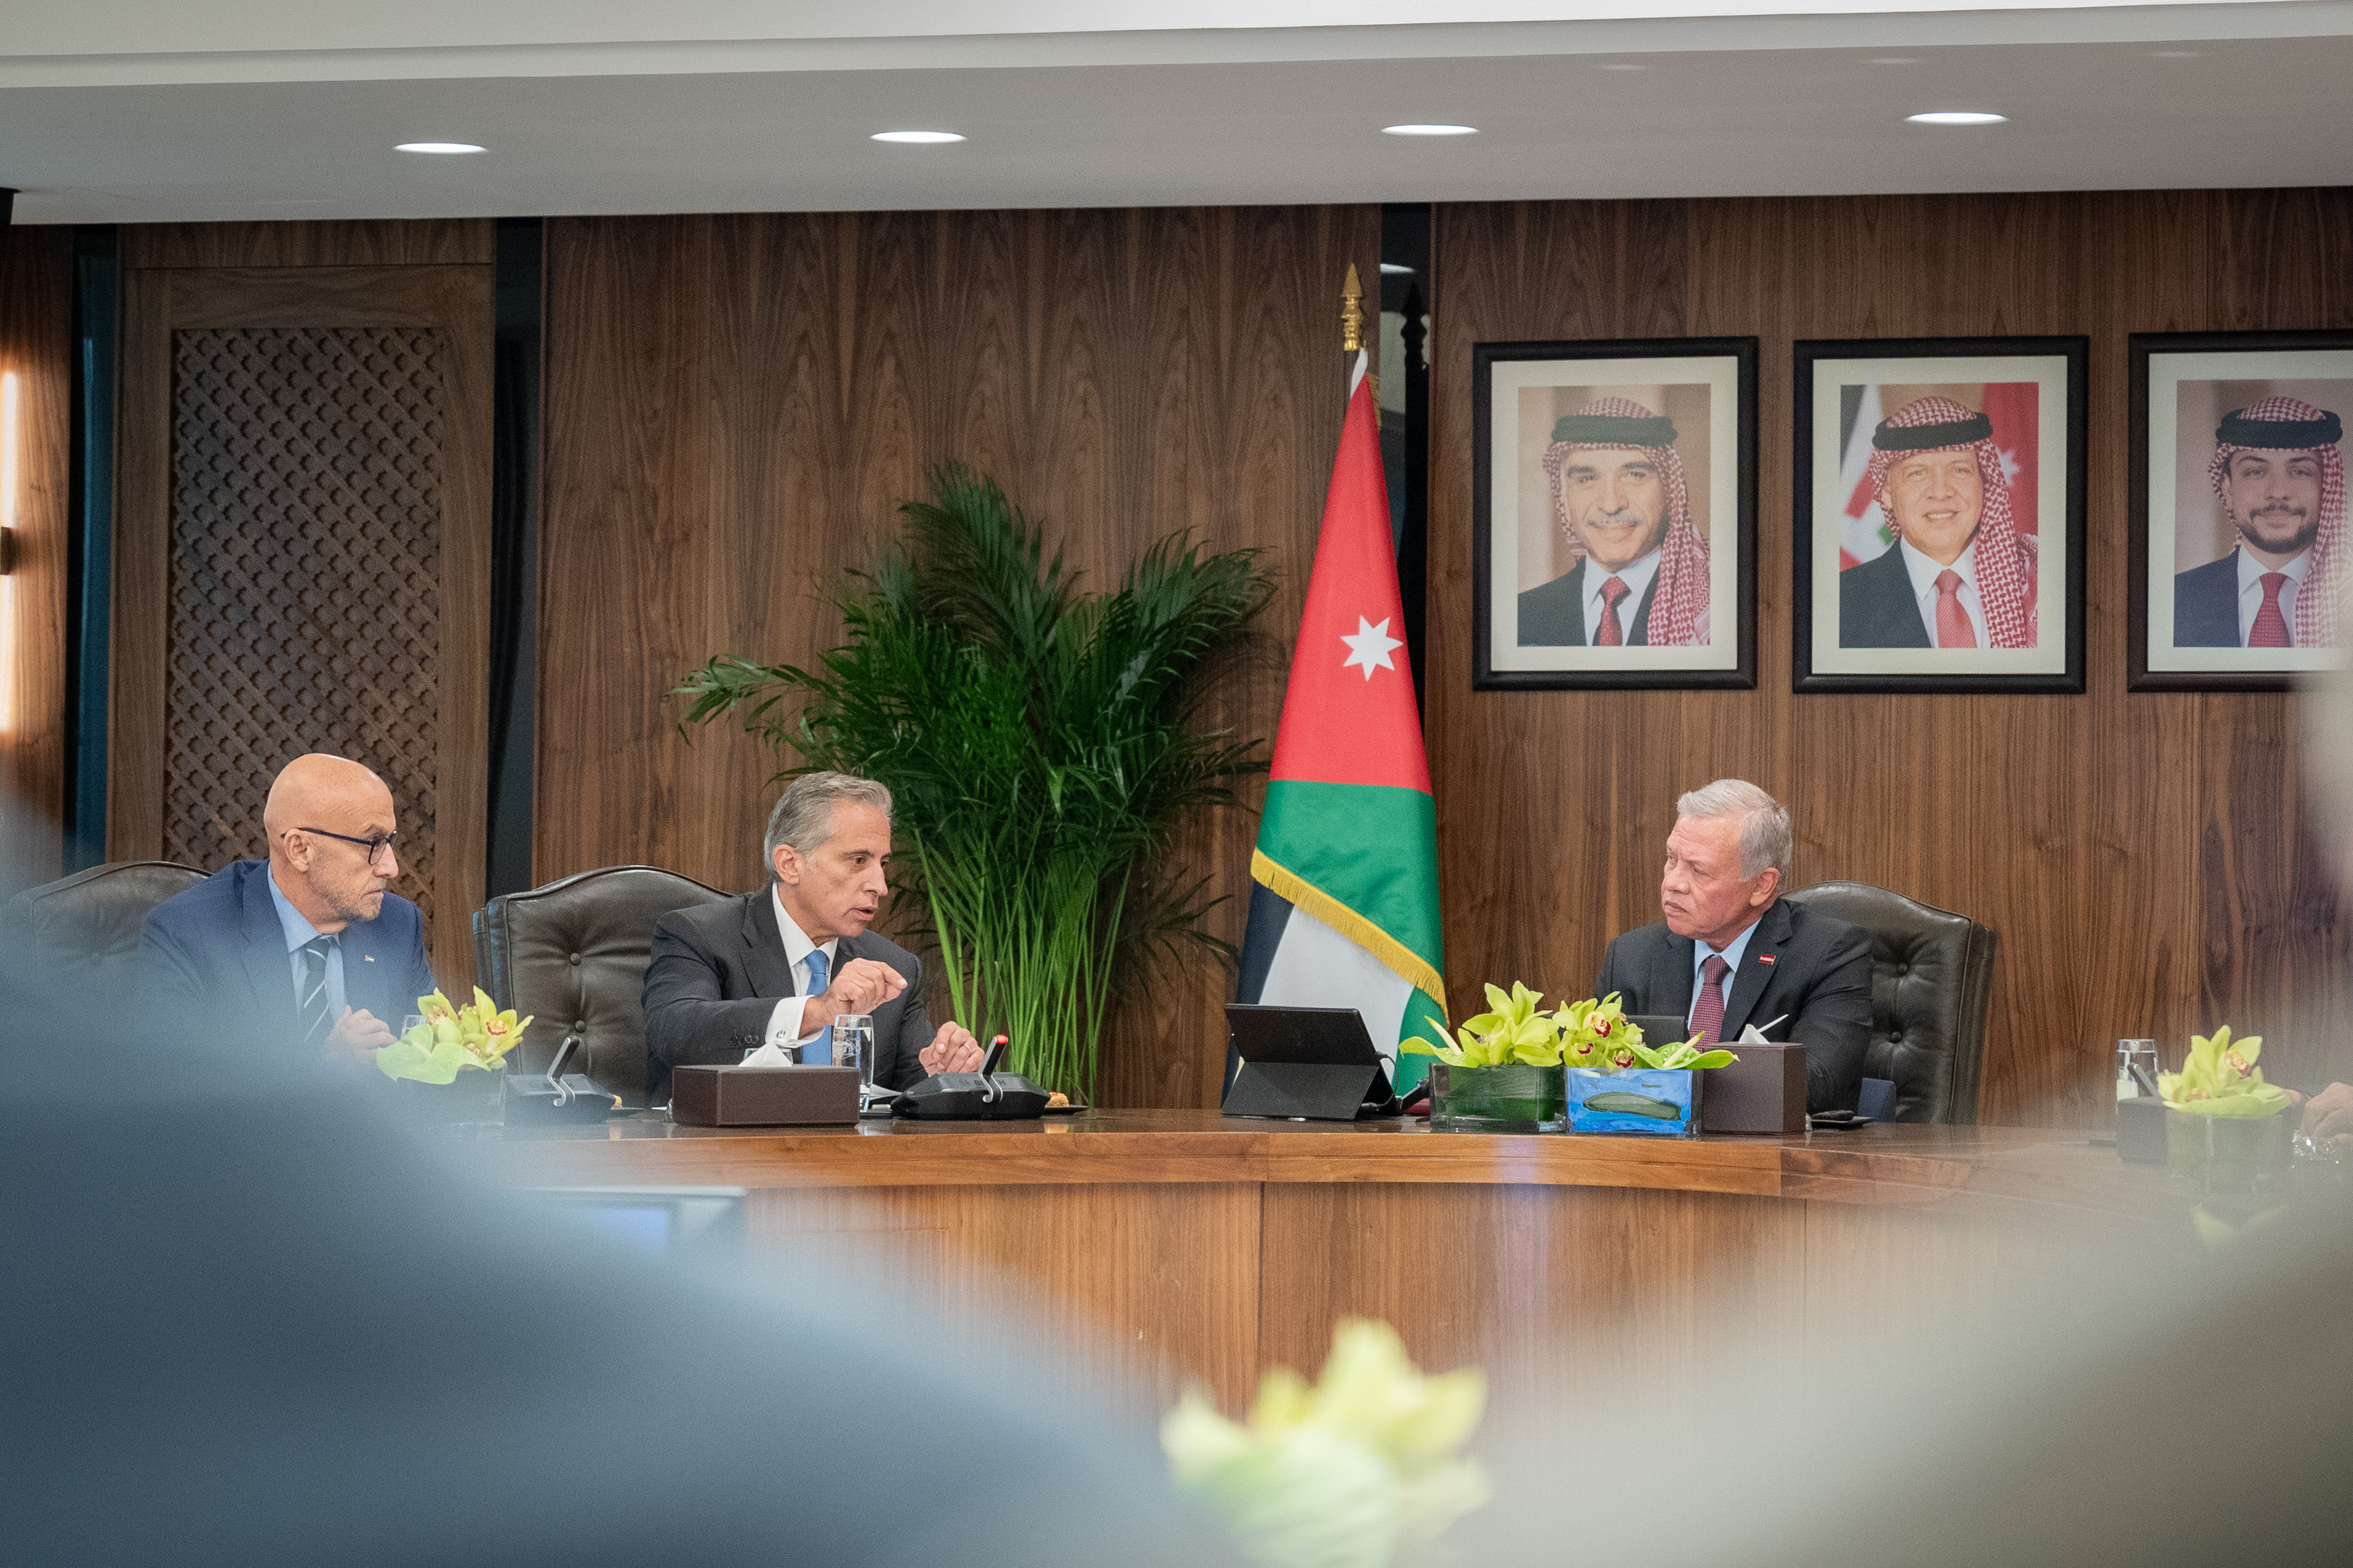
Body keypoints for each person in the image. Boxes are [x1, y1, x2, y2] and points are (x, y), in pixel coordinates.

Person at [641, 771, 984, 1103]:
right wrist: (817, 1011)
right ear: (790, 864)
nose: (880, 886)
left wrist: (944, 1075)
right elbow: (675, 1034)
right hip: (717, 1142)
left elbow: (910, 1093)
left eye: (882, 863)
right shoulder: (699, 935)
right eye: (859, 860)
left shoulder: (894, 966)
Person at [1592, 779, 1873, 1112]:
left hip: (1770, 1145)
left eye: (1698, 870)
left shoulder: (1830, 953)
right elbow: (1594, 1075)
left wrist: (1673, 1091)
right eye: (1671, 859)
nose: (1673, 883)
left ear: (1761, 884)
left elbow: (1814, 1086)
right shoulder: (1630, 956)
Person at [138, 752, 436, 1064]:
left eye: (390, 841)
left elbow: (430, 1059)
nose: (391, 867)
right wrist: (325, 1067)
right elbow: (175, 1080)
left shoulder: (397, 924)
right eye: (372, 843)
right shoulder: (187, 933)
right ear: (300, 850)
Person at [1839, 395, 2038, 650]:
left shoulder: (2041, 579)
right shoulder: (1842, 602)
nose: (1941, 492)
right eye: (1918, 473)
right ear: (1886, 491)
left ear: (1985, 480)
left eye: (1959, 469)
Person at [1516, 397, 1711, 648]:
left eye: (1635, 475)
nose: (1610, 504)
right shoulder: (1522, 616)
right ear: (1564, 498)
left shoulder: (1714, 607)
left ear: (1670, 492)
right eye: (1586, 479)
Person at [2173, 396, 2345, 648]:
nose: (2277, 492)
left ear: (2327, 487)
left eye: (2300, 472)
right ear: (2227, 489)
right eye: (2255, 472)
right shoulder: (2175, 599)